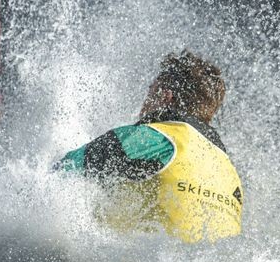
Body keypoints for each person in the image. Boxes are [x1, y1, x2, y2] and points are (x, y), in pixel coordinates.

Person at [53, 51, 244, 243]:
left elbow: (63, 171)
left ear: (165, 96)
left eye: (150, 92)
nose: (143, 105)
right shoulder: (231, 173)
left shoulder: (156, 137)